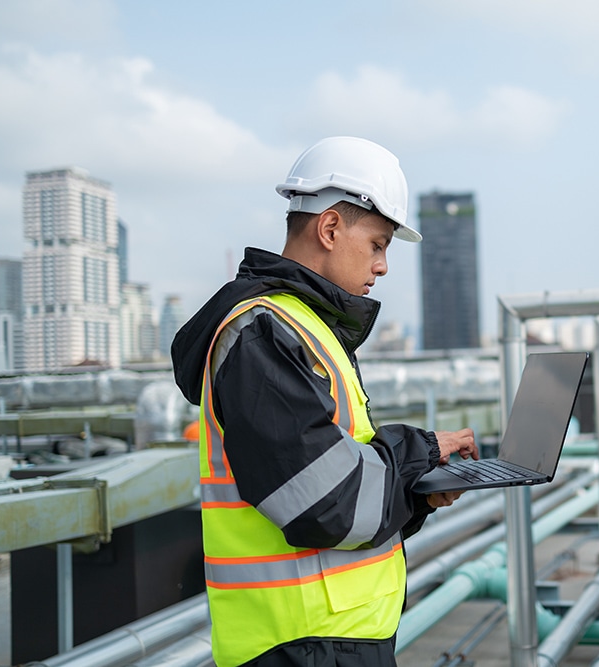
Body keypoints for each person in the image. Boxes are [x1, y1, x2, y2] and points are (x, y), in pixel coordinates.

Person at [171, 136, 479, 667]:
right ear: (331, 228)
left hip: (328, 638)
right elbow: (325, 503)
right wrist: (421, 454)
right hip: (301, 644)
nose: (383, 267)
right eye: (378, 244)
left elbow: (334, 472)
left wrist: (419, 493)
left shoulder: (307, 328)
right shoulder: (263, 334)